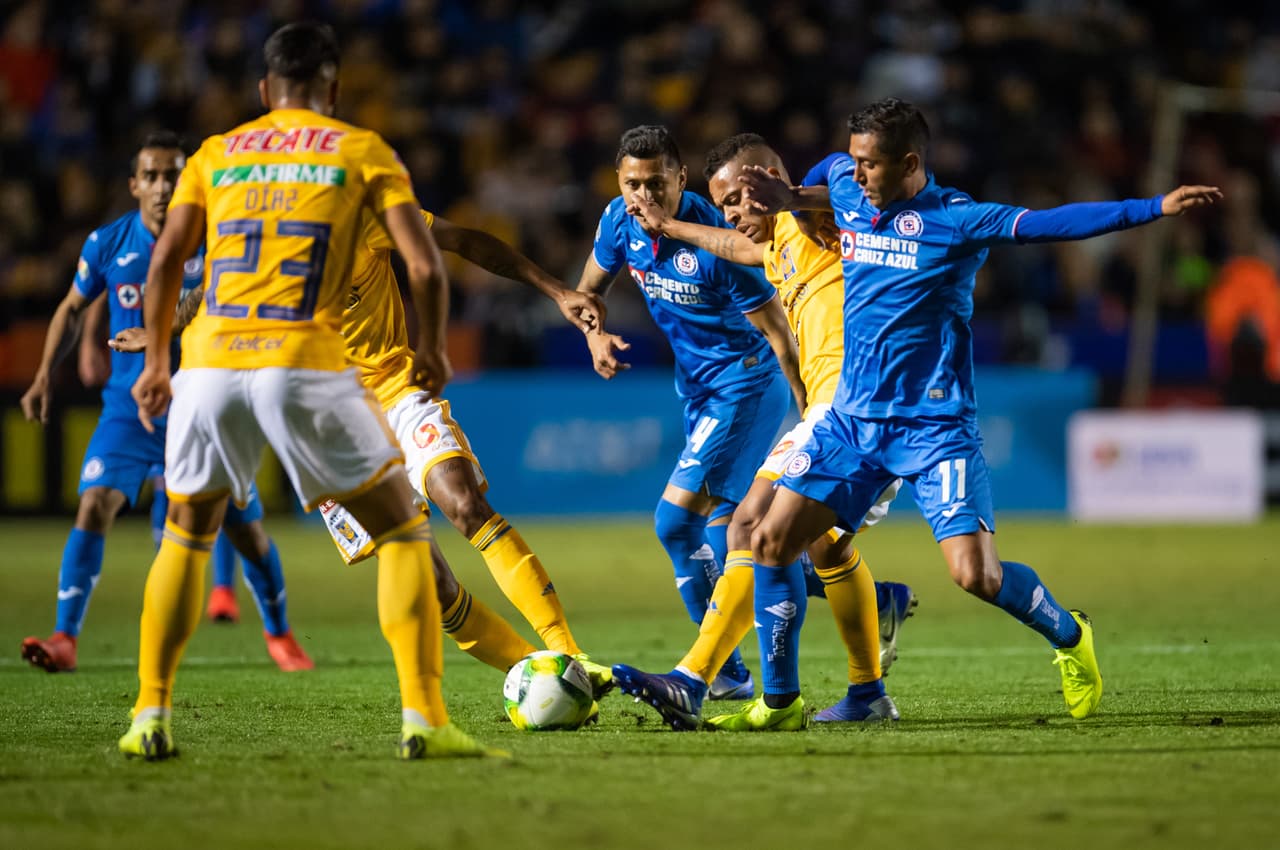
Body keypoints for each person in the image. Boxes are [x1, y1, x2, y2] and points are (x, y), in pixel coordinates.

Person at [737, 97, 1222, 720]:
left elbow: (1052, 224)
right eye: (854, 161)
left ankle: (1070, 634)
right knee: (770, 540)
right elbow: (826, 187)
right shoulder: (846, 185)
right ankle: (781, 702)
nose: (856, 175)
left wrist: (1153, 207)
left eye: (869, 165)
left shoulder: (957, 220)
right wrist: (791, 200)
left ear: (910, 163)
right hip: (852, 423)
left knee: (976, 577)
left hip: (933, 429)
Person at [117, 22, 501, 760]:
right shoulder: (359, 150)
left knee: (186, 535)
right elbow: (425, 265)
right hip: (301, 359)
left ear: (265, 90)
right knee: (402, 530)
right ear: (334, 88)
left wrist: (158, 364)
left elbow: (166, 261)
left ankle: (149, 714)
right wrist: (430, 347)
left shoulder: (217, 153)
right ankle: (425, 718)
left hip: (209, 362)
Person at [613, 133, 915, 730]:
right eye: (721, 203)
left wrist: (796, 195)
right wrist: (669, 226)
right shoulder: (774, 249)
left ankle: (704, 682)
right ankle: (867, 691)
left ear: (769, 182)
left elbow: (852, 189)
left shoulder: (820, 222)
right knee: (820, 546)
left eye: (737, 199)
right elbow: (729, 244)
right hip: (840, 410)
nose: (729, 214)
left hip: (860, 408)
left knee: (748, 528)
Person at [17, 131, 311, 676]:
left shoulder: (216, 238)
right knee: (94, 503)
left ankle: (280, 634)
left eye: (172, 175)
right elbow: (72, 307)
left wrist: (161, 333)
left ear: (187, 179)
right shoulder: (107, 242)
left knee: (246, 532)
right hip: (127, 411)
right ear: (134, 185)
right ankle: (65, 637)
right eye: (150, 176)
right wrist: (42, 376)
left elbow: (222, 301)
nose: (161, 186)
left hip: (203, 406)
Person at [311, 206, 615, 694]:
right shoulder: (253, 248)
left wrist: (558, 291)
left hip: (396, 392)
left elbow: (465, 241)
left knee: (465, 504)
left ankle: (570, 653)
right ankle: (543, 676)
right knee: (430, 580)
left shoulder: (358, 213)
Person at [577, 125, 807, 701]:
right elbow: (587, 291)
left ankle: (721, 676)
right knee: (732, 540)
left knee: (675, 523)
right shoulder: (618, 221)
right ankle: (870, 597)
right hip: (699, 393)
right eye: (632, 184)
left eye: (657, 183)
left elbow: (780, 335)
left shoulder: (719, 243)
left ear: (681, 179)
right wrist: (595, 335)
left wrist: (808, 416)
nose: (644, 197)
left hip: (748, 386)